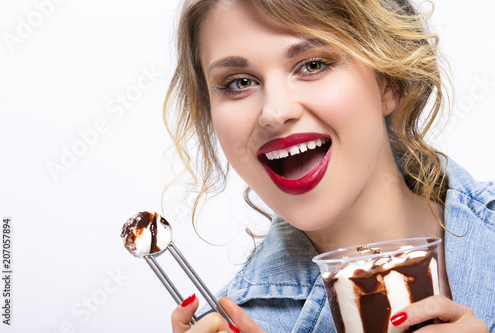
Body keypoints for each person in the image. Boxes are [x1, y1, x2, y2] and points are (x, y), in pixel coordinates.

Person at [164, 0, 494, 332]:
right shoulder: (235, 325)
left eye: (313, 64)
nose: (275, 113)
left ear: (388, 81)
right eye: (239, 83)